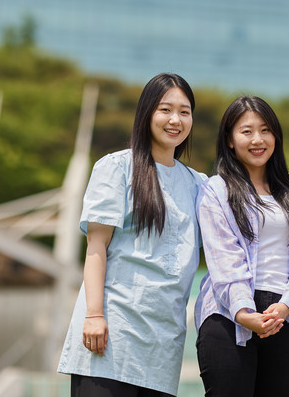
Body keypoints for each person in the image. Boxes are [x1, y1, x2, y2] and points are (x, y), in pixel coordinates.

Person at [57, 73, 205, 397]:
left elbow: (245, 215)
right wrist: (94, 314)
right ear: (147, 113)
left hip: (162, 347)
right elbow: (96, 246)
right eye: (165, 110)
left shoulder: (199, 185)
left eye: (185, 111)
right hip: (110, 334)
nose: (175, 120)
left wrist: (283, 185)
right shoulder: (116, 167)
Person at [194, 96, 289, 397]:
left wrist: (286, 306)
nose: (258, 139)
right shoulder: (216, 191)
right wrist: (244, 313)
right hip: (229, 316)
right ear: (229, 139)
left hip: (285, 318)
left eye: (265, 130)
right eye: (246, 131)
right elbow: (224, 258)